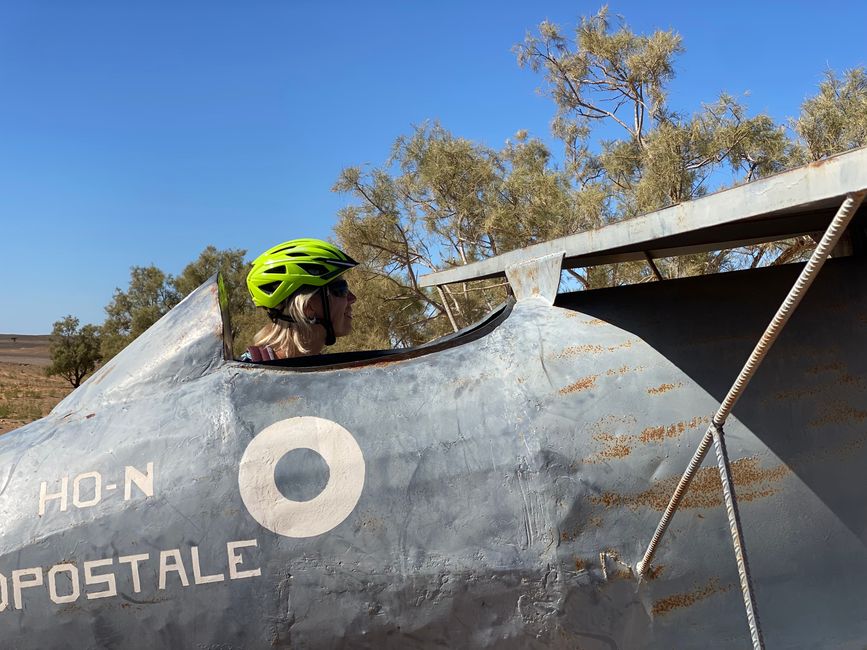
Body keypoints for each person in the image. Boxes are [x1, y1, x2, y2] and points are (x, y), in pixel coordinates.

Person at [242, 238, 358, 360]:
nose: (352, 298)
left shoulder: (320, 370)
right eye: (342, 290)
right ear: (308, 307)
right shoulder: (244, 374)